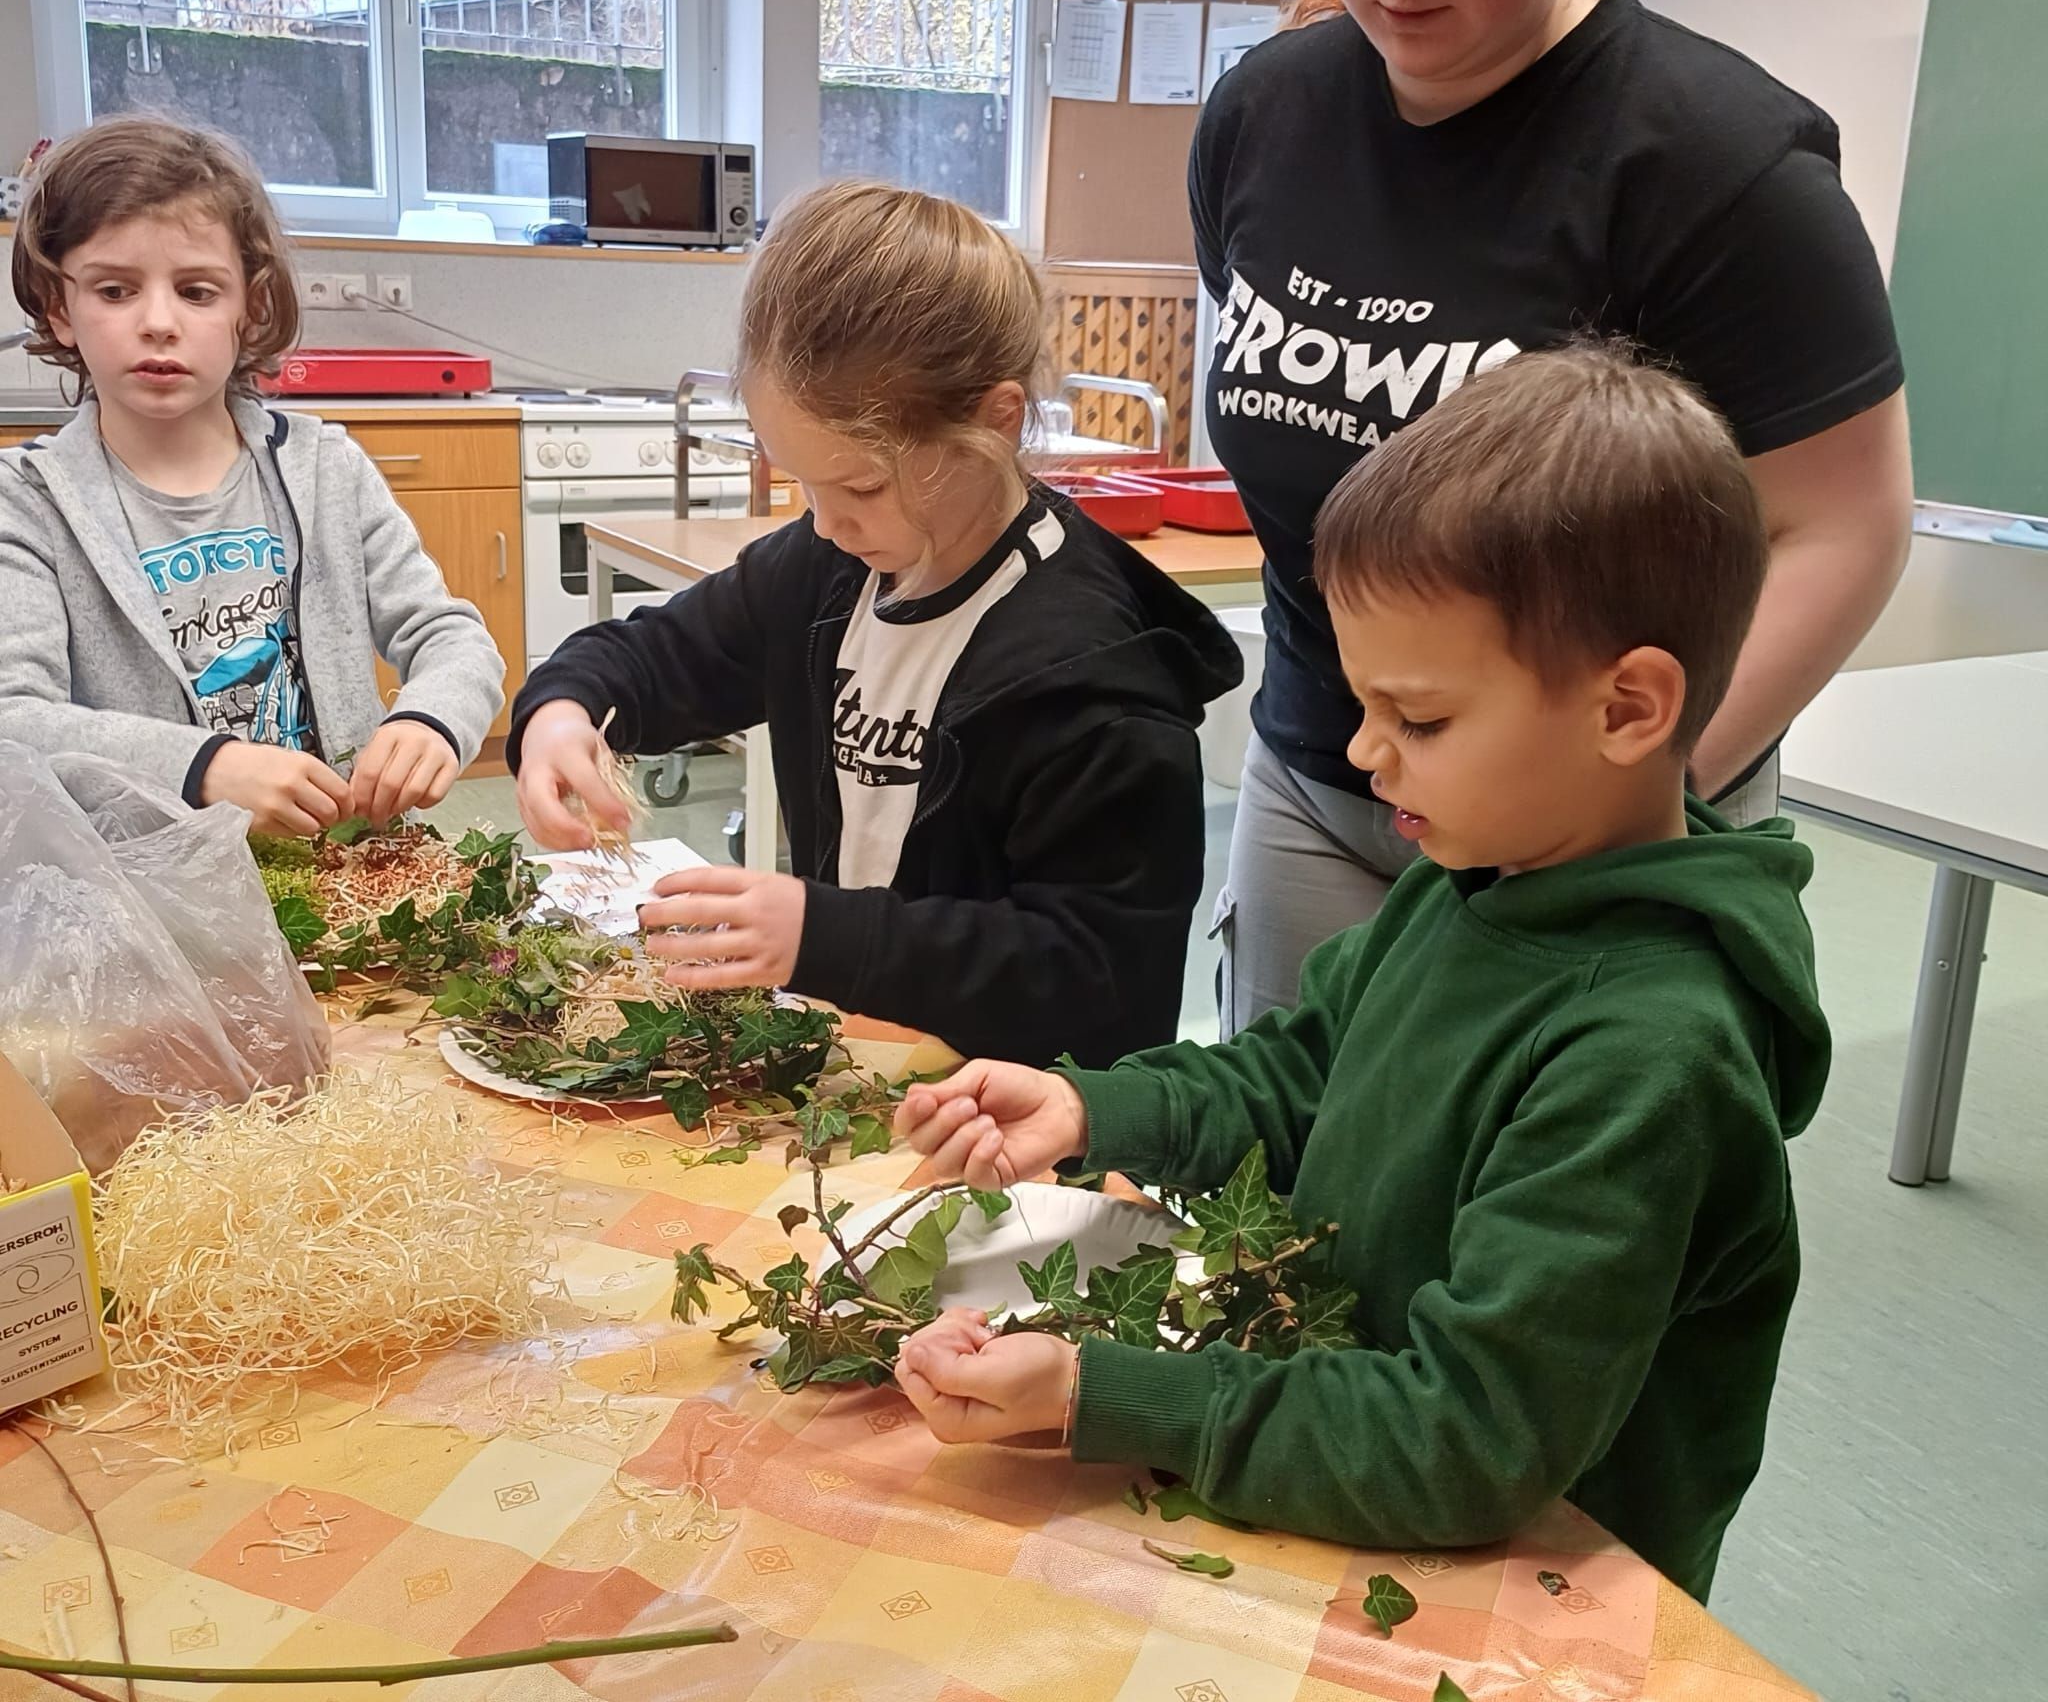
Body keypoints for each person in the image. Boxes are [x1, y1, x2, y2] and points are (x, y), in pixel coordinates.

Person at [891, 345, 1829, 1606]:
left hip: (1527, 1589)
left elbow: (1467, 1439)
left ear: (1626, 708)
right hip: (1341, 1447)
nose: (1362, 749)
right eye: (1361, 701)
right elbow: (1301, 1074)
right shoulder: (1474, 879)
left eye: (1420, 718)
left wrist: (1092, 1390)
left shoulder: (1647, 1054)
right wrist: (1094, 1110)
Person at [1200, 0, 1909, 1035]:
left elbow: (1843, 532)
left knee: (1548, 1217)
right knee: (1284, 1199)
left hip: (1587, 837)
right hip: (1323, 779)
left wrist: (1619, 806)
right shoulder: (1264, 116)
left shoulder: (1724, 168)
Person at [511, 179, 1241, 1066]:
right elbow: (650, 658)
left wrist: (828, 937)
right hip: (861, 1072)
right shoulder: (830, 569)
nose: (823, 521)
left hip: (1004, 1120)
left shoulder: (1090, 669)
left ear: (996, 423)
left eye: (859, 486)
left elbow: (1097, 975)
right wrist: (563, 713)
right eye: (799, 480)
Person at [0, 116, 505, 834]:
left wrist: (432, 718)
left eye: (198, 291)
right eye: (115, 291)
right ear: (60, 310)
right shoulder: (26, 504)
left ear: (250, 306)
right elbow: (16, 723)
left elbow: (450, 634)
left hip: (345, 877)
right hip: (158, 896)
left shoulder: (325, 468)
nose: (158, 322)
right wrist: (205, 767)